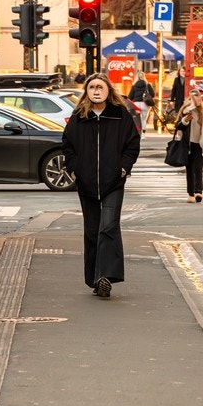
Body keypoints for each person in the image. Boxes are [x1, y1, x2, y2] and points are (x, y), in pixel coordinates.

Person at [62, 72, 141, 298]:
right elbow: (67, 145)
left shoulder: (120, 115)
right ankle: (95, 279)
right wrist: (75, 168)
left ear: (108, 90)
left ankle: (106, 276)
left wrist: (123, 168)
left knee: (108, 226)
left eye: (100, 87)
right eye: (92, 87)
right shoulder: (80, 116)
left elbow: (132, 144)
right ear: (86, 91)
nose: (96, 91)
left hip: (113, 182)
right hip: (86, 183)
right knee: (92, 231)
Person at [174, 87, 203, 203]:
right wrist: (184, 121)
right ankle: (191, 194)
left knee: (198, 168)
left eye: (198, 96)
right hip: (188, 145)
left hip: (201, 145)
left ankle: (198, 192)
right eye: (194, 97)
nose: (197, 99)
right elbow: (178, 126)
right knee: (190, 169)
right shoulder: (186, 111)